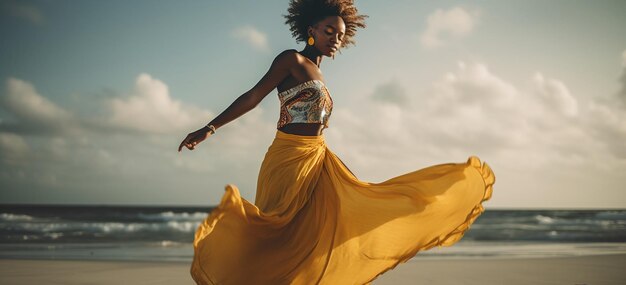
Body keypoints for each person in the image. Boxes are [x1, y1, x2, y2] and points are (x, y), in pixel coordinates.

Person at [178, 0, 495, 284]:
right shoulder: (292, 60)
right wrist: (210, 127)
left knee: (319, 231)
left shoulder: (320, 74)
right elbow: (253, 95)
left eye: (340, 35)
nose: (336, 39)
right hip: (288, 159)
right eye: (329, 31)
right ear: (311, 28)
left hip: (318, 159)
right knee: (276, 230)